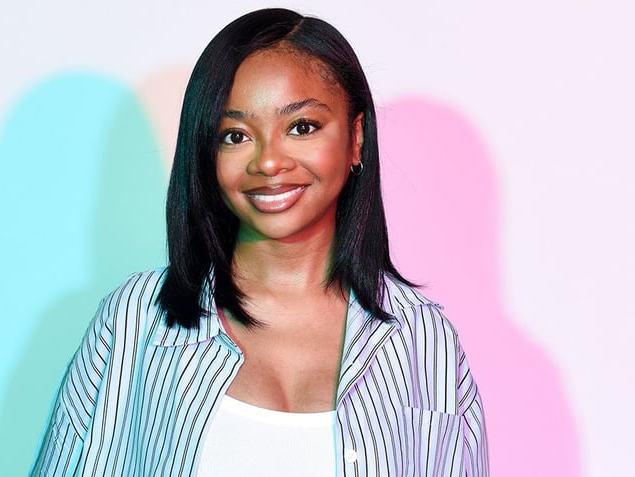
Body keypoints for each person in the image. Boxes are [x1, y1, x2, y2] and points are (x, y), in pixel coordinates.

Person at [31, 8, 488, 476]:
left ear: (356, 138)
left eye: (302, 127)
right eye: (235, 135)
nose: (268, 162)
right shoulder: (136, 321)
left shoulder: (425, 343)